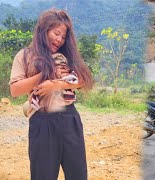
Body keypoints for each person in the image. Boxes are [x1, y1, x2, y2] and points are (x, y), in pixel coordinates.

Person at [9, 9, 94, 180]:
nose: (59, 39)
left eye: (63, 37)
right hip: (41, 121)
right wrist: (45, 74)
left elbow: (83, 80)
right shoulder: (25, 56)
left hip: (70, 119)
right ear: (43, 30)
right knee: (43, 175)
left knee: (77, 174)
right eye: (56, 33)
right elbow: (15, 90)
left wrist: (55, 84)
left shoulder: (67, 55)